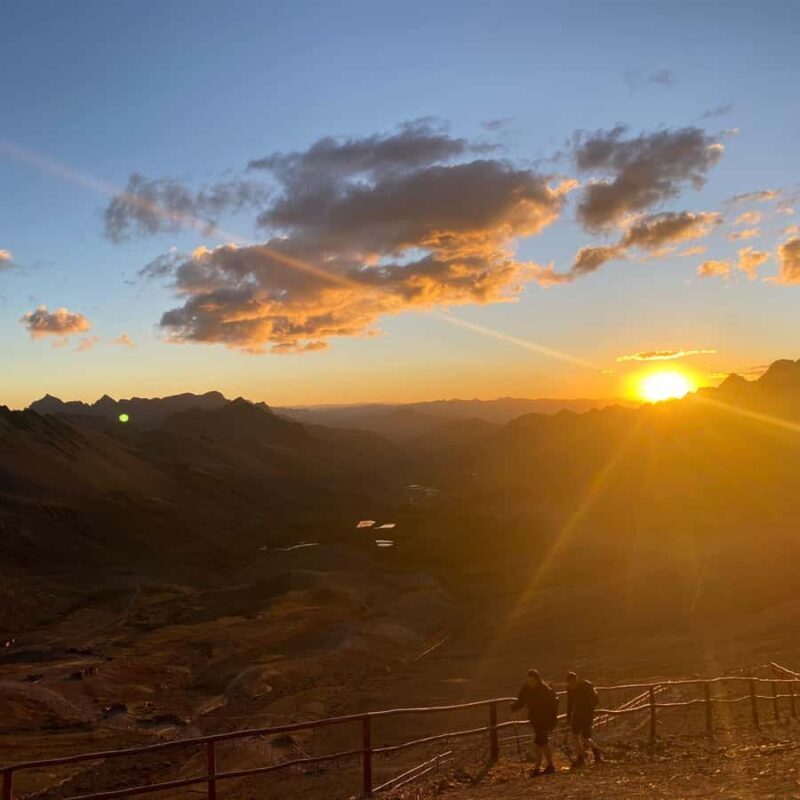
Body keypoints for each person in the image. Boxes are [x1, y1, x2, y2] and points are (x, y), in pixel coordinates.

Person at [510, 668, 559, 776]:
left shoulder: (545, 690)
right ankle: (549, 766)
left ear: (536, 679)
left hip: (544, 719)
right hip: (535, 719)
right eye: (528, 680)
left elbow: (553, 706)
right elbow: (521, 701)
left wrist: (552, 721)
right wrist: (513, 708)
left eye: (531, 680)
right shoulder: (526, 688)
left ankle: (538, 768)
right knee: (543, 743)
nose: (529, 682)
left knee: (539, 743)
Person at [565, 671, 602, 767]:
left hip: (586, 715)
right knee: (575, 736)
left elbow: (594, 701)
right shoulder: (570, 689)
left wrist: (589, 711)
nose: (571, 685)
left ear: (575, 680)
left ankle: (595, 751)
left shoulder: (584, 688)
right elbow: (570, 702)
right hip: (578, 715)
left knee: (584, 738)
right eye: (569, 683)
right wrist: (569, 716)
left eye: (572, 682)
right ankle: (581, 757)